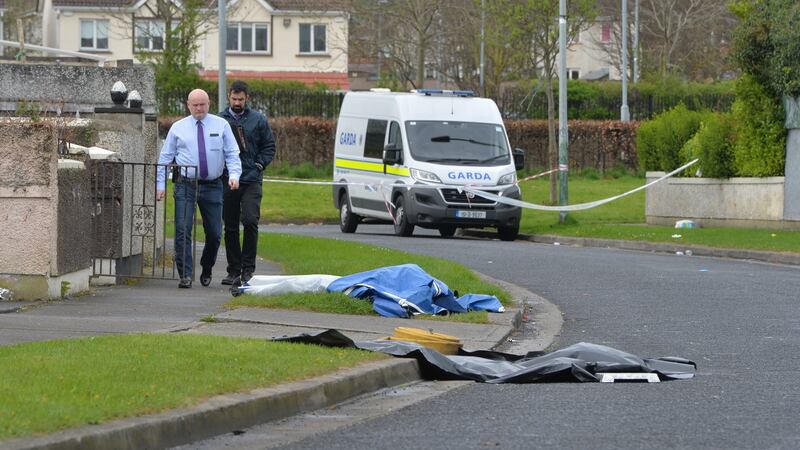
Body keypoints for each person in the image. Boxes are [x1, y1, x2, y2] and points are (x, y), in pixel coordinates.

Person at [156, 89, 242, 289]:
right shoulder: (178, 128)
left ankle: (207, 265)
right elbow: (165, 159)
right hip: (185, 184)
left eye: (202, 104)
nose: (199, 108)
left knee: (214, 233)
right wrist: (160, 185)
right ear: (188, 105)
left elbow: (232, 153)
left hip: (212, 184)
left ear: (209, 104)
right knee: (182, 229)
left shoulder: (222, 125)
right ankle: (185, 274)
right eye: (194, 105)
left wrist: (235, 176)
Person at [218, 80, 276, 286]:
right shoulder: (220, 120)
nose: (237, 103)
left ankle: (248, 269)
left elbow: (269, 146)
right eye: (234, 99)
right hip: (227, 179)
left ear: (247, 99)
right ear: (229, 97)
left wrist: (259, 164)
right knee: (230, 225)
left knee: (250, 221)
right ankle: (233, 269)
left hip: (251, 179)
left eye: (240, 99)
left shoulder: (258, 120)